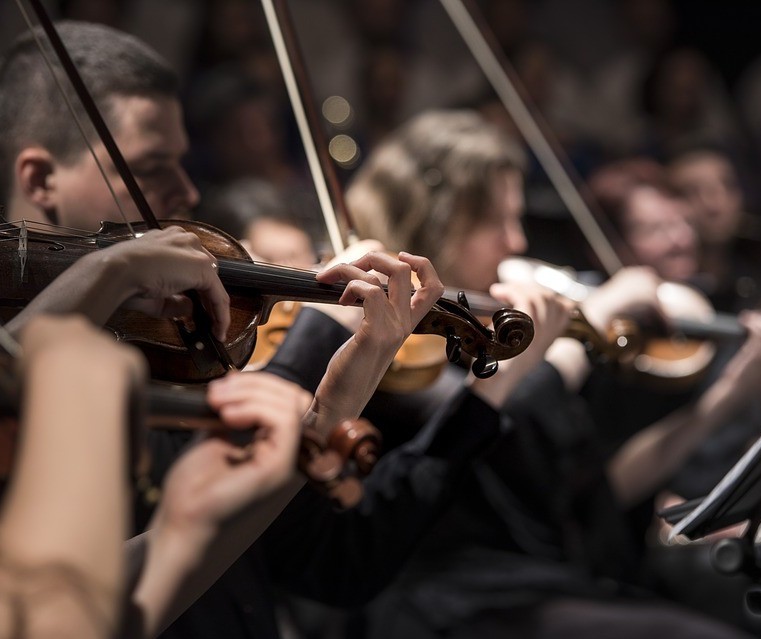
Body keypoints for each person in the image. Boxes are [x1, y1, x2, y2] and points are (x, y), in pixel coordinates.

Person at [0, 20, 533, 639]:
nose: (187, 190)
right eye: (150, 167)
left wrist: (336, 397)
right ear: (40, 181)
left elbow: (228, 547)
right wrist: (106, 273)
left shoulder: (155, 338)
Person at [344, 109, 759, 638]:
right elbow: (481, 424)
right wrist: (585, 327)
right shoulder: (391, 343)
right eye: (498, 221)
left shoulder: (476, 326)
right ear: (439, 219)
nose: (517, 243)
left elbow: (589, 489)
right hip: (446, 600)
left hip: (534, 582)